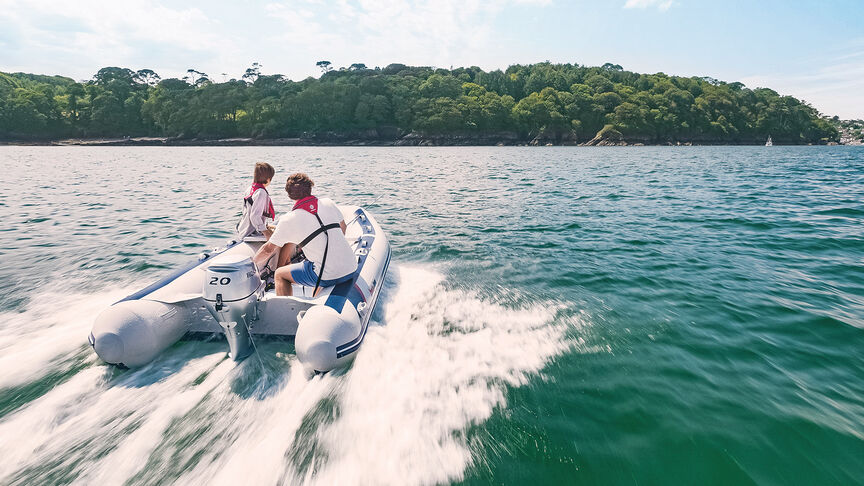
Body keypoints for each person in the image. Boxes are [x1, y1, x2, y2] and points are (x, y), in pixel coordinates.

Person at [253, 173, 357, 296]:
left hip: (327, 275)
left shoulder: (288, 219)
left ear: (289, 195)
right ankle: (315, 296)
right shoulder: (328, 203)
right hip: (351, 267)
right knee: (314, 265)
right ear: (310, 188)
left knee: (280, 274)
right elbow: (343, 227)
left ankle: (286, 307)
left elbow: (268, 250)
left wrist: (251, 264)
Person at [236, 162, 276, 239]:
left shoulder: (250, 188)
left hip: (243, 228)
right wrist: (265, 232)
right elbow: (255, 216)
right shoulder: (261, 193)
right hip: (251, 232)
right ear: (268, 179)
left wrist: (266, 226)